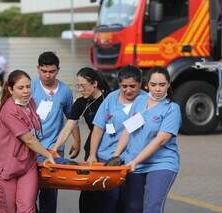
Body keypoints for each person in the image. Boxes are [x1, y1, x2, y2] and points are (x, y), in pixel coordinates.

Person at [113, 67, 182, 213]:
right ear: (146, 85)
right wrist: (116, 156)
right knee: (133, 208)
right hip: (134, 163)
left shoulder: (172, 109)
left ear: (169, 85)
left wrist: (136, 161)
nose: (158, 89)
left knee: (151, 208)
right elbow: (128, 130)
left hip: (161, 164)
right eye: (153, 85)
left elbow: (161, 140)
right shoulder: (139, 101)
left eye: (162, 85)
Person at [0, 70, 55, 213]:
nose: (26, 91)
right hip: (4, 169)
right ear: (10, 89)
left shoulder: (30, 102)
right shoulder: (10, 110)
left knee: (27, 208)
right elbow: (29, 140)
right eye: (20, 88)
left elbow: (34, 131)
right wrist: (48, 154)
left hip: (26, 165)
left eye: (28, 87)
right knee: (8, 209)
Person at [86, 65, 145, 213]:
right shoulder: (111, 98)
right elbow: (98, 128)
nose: (128, 90)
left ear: (140, 84)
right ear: (119, 84)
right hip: (108, 160)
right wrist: (93, 154)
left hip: (132, 161)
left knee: (129, 203)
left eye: (133, 86)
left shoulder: (146, 101)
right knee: (109, 202)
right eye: (124, 86)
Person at [51, 67, 110, 213]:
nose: (80, 89)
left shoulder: (110, 98)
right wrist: (54, 148)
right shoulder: (80, 102)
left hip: (110, 145)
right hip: (92, 147)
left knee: (108, 190)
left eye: (83, 86)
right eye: (78, 86)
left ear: (94, 83)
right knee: (88, 189)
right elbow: (68, 127)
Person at [32, 51, 80, 213]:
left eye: (51, 71)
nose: (47, 75)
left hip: (54, 149)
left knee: (49, 195)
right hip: (30, 149)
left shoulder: (65, 91)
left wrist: (77, 141)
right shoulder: (29, 87)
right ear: (38, 69)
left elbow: (72, 118)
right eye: (44, 71)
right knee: (28, 194)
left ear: (58, 70)